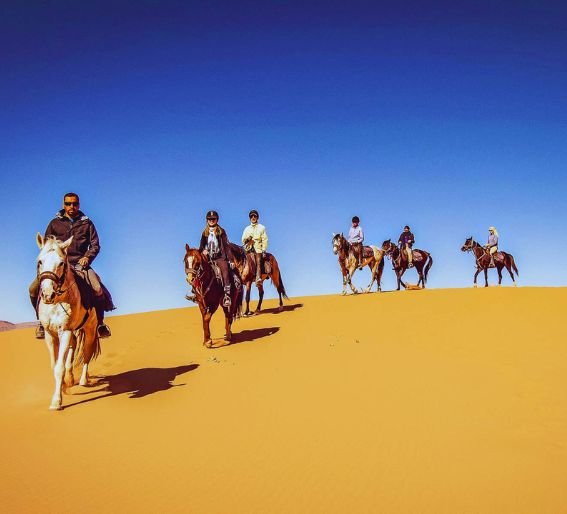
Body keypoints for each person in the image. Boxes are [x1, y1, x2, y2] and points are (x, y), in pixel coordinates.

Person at [29, 192, 114, 339]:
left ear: (79, 205)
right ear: (63, 205)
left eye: (74, 204)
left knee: (97, 287)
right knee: (33, 288)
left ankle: (100, 324)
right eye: (68, 204)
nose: (71, 206)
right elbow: (46, 246)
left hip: (80, 265)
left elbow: (95, 245)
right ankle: (42, 323)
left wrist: (87, 257)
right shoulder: (54, 223)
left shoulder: (86, 223)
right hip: (58, 267)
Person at [198, 210, 236, 308]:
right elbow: (201, 246)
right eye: (209, 219)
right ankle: (197, 293)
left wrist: (230, 260)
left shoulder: (221, 231)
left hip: (219, 257)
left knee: (225, 270)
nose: (211, 220)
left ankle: (227, 295)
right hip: (208, 258)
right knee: (198, 270)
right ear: (207, 220)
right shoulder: (204, 233)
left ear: (217, 220)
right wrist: (202, 251)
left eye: (213, 219)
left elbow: (226, 246)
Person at [241, 209, 268, 285]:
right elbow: (243, 239)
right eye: (251, 216)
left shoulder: (262, 227)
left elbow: (264, 239)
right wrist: (247, 239)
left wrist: (263, 249)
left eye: (254, 216)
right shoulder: (247, 229)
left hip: (258, 248)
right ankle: (242, 276)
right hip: (248, 248)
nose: (253, 217)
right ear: (249, 218)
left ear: (257, 217)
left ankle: (258, 278)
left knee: (258, 260)